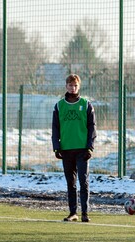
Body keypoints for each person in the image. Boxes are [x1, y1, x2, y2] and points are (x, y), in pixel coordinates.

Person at [52, 74, 97, 222]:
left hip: (82, 150)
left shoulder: (86, 104)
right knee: (70, 183)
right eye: (70, 85)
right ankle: (73, 213)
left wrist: (90, 147)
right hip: (66, 150)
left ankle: (85, 213)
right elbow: (55, 128)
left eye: (75, 85)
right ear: (66, 86)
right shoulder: (59, 106)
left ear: (79, 87)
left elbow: (92, 127)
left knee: (83, 182)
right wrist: (56, 147)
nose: (73, 88)